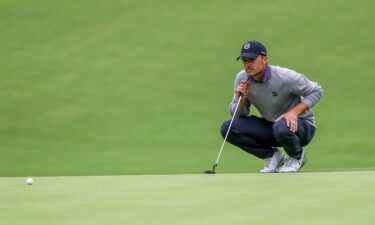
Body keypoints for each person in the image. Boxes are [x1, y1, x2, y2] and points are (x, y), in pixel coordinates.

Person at [221, 40, 323, 173]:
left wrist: (294, 112)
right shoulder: (242, 78)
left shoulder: (285, 76)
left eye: (251, 59)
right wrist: (242, 99)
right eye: (244, 60)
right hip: (273, 126)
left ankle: (297, 156)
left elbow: (317, 91)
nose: (247, 65)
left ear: (265, 59)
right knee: (228, 128)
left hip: (301, 127)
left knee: (281, 125)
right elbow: (238, 116)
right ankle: (272, 156)